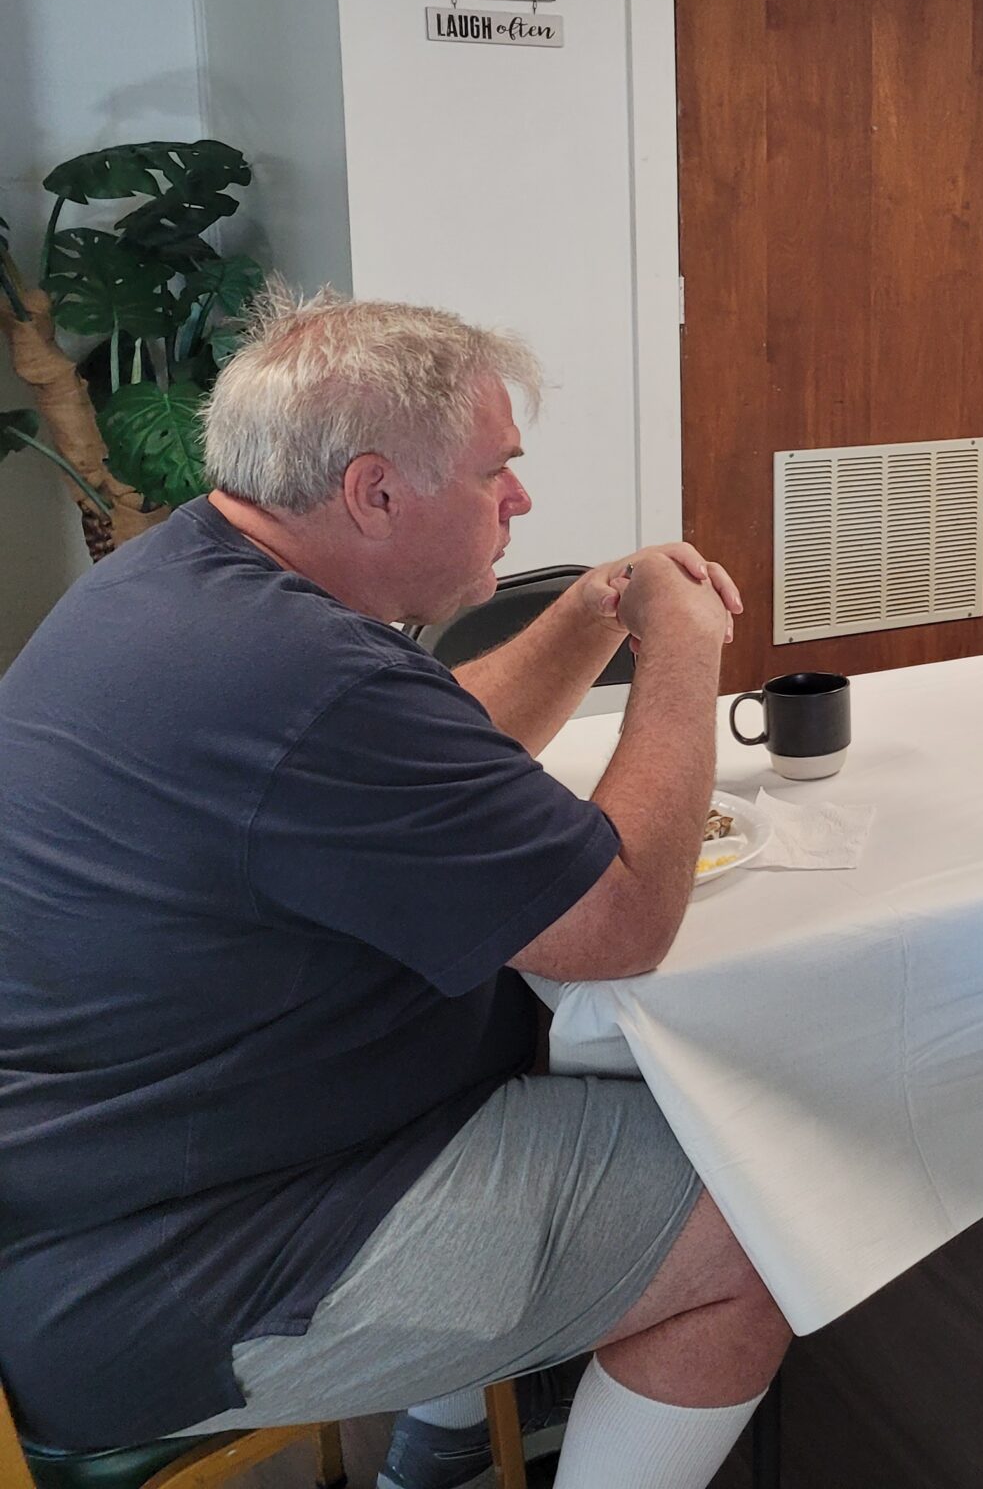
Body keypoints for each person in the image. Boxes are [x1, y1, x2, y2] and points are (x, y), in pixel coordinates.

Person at [0, 294, 789, 1489]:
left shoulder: (190, 581)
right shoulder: (298, 674)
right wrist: (682, 653)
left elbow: (434, 745)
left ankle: (438, 1449)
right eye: (497, 472)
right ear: (374, 492)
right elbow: (621, 921)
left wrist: (587, 620)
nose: (518, 503)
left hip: (122, 1184)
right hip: (169, 1277)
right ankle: (456, 1428)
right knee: (764, 1224)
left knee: (545, 1053)